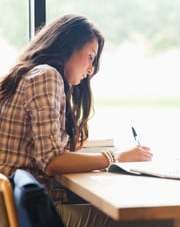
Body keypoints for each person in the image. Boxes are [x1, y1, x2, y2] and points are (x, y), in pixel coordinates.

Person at [0, 14, 164, 227]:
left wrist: (74, 142)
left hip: (17, 208)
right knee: (149, 220)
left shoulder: (27, 75)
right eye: (90, 57)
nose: (91, 69)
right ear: (68, 46)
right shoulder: (46, 76)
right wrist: (114, 157)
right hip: (30, 215)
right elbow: (51, 161)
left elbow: (37, 151)